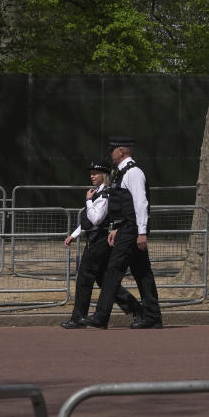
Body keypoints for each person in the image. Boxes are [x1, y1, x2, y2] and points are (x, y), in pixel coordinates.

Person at [80, 137, 162, 329]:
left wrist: (142, 233)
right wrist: (116, 228)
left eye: (113, 151)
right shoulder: (122, 172)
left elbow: (141, 203)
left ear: (121, 152)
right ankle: (152, 316)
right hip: (126, 229)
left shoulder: (133, 173)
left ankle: (101, 317)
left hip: (132, 231)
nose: (111, 154)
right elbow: (124, 206)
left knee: (112, 271)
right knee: (142, 273)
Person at [60, 158, 143, 329]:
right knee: (105, 281)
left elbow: (96, 219)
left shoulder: (105, 194)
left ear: (104, 175)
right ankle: (136, 308)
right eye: (91, 173)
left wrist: (88, 201)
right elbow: (88, 222)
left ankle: (78, 317)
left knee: (84, 277)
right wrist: (74, 235)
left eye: (96, 173)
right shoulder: (97, 191)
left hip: (100, 242)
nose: (92, 176)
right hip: (95, 240)